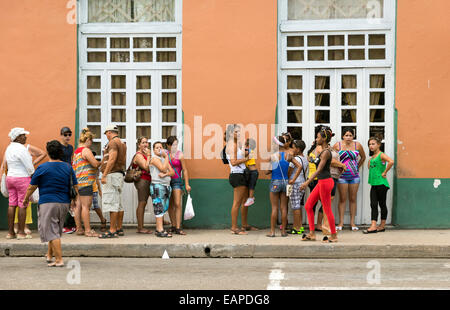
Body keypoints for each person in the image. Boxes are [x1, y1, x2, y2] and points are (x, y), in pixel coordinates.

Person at [22, 140, 78, 267]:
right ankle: (49, 255)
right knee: (55, 230)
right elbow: (75, 186)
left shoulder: (42, 167)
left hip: (48, 203)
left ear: (48, 152)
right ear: (60, 152)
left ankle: (59, 260)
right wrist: (75, 201)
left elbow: (32, 186)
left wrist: (26, 198)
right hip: (64, 203)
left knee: (51, 231)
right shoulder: (68, 167)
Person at [300, 127, 338, 243]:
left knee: (327, 210)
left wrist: (307, 182)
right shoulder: (323, 150)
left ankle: (334, 235)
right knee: (308, 206)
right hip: (322, 182)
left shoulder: (326, 152)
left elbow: (319, 170)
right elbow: (317, 164)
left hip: (325, 182)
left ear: (324, 138)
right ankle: (312, 234)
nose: (316, 139)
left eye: (318, 137)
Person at [2, 128, 35, 239]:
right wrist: (32, 174)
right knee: (23, 204)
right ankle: (21, 232)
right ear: (17, 137)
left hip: (10, 178)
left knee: (12, 204)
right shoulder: (22, 149)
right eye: (23, 135)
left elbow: (5, 163)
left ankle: (10, 232)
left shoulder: (9, 148)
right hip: (22, 178)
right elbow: (29, 166)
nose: (25, 137)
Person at [333, 127, 366, 231]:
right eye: (346, 135)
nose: (348, 137)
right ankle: (341, 223)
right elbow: (333, 159)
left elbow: (363, 157)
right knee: (342, 199)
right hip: (342, 177)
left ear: (353, 136)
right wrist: (339, 168)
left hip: (354, 177)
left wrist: (357, 167)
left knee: (352, 199)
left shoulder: (357, 145)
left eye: (350, 135)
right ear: (343, 136)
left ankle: (352, 223)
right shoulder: (337, 145)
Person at [98, 125, 127, 239]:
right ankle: (119, 228)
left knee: (112, 203)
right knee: (118, 203)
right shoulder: (122, 143)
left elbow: (112, 159)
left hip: (112, 174)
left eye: (106, 133)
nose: (106, 136)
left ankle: (112, 230)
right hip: (118, 174)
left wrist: (104, 174)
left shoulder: (113, 143)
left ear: (109, 132)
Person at [72, 128, 100, 237]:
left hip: (78, 181)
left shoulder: (76, 152)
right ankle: (88, 230)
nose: (91, 143)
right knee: (86, 206)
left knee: (78, 205)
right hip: (86, 181)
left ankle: (79, 229)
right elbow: (95, 164)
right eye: (91, 140)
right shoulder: (86, 150)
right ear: (87, 139)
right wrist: (103, 161)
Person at [363, 137, 394, 234]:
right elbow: (370, 167)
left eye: (373, 144)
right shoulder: (372, 157)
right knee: (373, 204)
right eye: (369, 144)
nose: (371, 146)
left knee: (382, 204)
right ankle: (374, 225)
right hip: (374, 183)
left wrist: (385, 172)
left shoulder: (381, 155)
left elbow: (391, 161)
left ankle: (381, 226)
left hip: (381, 183)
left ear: (379, 145)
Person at [225, 125, 250, 235]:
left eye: (239, 132)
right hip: (237, 175)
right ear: (230, 134)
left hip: (240, 174)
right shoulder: (232, 145)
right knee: (237, 203)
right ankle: (234, 228)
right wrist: (245, 159)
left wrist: (245, 148)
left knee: (244, 201)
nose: (238, 134)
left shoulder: (236, 144)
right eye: (236, 132)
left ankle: (244, 225)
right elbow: (234, 162)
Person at [266, 136, 291, 237]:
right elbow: (296, 167)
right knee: (284, 208)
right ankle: (283, 231)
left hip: (275, 182)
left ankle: (272, 232)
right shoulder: (288, 155)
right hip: (286, 182)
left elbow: (267, 171)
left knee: (274, 208)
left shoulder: (272, 156)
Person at [166, 136, 191, 235]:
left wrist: (187, 184)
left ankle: (178, 227)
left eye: (176, 144)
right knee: (169, 205)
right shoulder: (165, 154)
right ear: (168, 145)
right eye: (172, 144)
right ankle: (173, 225)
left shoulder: (180, 154)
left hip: (176, 181)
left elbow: (184, 170)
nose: (174, 146)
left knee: (177, 203)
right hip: (167, 181)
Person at [150, 141, 175, 237]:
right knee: (159, 207)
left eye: (161, 147)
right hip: (158, 185)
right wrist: (166, 158)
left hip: (166, 185)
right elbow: (163, 168)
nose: (159, 149)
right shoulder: (154, 159)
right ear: (153, 150)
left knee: (163, 207)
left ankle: (160, 228)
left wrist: (165, 174)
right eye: (157, 147)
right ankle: (159, 230)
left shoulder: (164, 159)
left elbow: (172, 172)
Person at [132, 137, 153, 234]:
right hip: (142, 180)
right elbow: (146, 167)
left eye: (147, 142)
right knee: (142, 202)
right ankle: (140, 227)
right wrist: (149, 155)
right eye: (143, 142)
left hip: (148, 180)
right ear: (139, 145)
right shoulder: (139, 155)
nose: (145, 144)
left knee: (148, 202)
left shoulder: (145, 154)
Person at [287, 140, 308, 235]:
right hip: (302, 182)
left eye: (293, 147)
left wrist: (291, 179)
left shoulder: (296, 159)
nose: (292, 149)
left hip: (295, 183)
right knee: (298, 205)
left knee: (295, 206)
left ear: (298, 149)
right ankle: (299, 226)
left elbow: (290, 171)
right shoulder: (305, 159)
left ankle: (297, 228)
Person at [60, 126, 76, 234]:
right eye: (65, 135)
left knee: (71, 198)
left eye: (69, 134)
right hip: (61, 174)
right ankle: (62, 224)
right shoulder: (59, 147)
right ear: (61, 135)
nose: (67, 137)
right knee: (62, 199)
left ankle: (70, 224)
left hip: (69, 174)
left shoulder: (70, 148)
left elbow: (72, 160)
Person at [91, 151, 107, 232]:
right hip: (83, 187)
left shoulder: (95, 167)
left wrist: (100, 191)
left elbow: (96, 179)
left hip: (93, 189)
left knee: (95, 206)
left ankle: (103, 220)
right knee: (84, 207)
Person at [243, 138, 258, 208]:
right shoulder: (249, 150)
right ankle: (251, 197)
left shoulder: (249, 151)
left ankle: (251, 198)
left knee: (251, 186)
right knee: (250, 186)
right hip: (250, 171)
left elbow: (244, 155)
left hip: (253, 172)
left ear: (248, 145)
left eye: (245, 144)